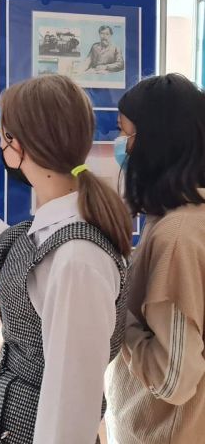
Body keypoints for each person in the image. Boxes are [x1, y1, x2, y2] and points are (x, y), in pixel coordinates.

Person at [0, 74, 131, 444]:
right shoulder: (58, 232)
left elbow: (72, 402)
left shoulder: (78, 260)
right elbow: (37, 273)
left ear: (19, 144)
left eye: (3, 135)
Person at [106, 74, 205, 444]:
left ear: (155, 143)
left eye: (125, 133)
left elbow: (173, 379)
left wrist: (119, 318)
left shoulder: (177, 236)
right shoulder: (180, 219)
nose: (120, 146)